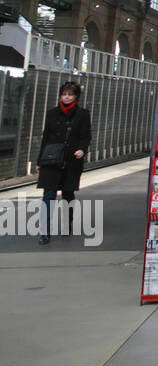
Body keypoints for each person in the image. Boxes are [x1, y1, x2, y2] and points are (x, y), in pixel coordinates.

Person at [36, 81, 92, 245]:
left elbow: (86, 135)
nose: (66, 97)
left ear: (76, 96)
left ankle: (67, 223)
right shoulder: (52, 113)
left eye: (70, 94)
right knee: (48, 195)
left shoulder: (82, 114)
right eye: (64, 94)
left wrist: (82, 150)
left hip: (71, 159)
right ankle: (44, 232)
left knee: (68, 193)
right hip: (51, 159)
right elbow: (46, 137)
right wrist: (40, 161)